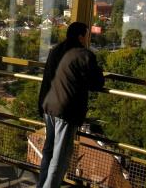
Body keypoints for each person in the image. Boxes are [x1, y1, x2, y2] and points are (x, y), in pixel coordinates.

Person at [37, 22, 105, 188]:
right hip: (66, 111)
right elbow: (97, 83)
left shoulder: (56, 50)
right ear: (81, 37)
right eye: (87, 36)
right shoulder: (84, 55)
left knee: (48, 151)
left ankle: (41, 185)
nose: (88, 39)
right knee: (60, 159)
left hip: (48, 107)